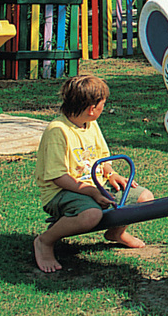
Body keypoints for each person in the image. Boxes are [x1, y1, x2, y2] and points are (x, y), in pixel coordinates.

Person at [33, 74, 154, 273]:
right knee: (91, 215)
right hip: (62, 192)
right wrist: (92, 192)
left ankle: (116, 233)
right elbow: (58, 176)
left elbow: (102, 157)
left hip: (97, 186)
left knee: (145, 198)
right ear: (92, 108)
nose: (103, 109)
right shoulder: (58, 130)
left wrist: (112, 174)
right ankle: (44, 241)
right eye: (102, 105)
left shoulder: (91, 124)